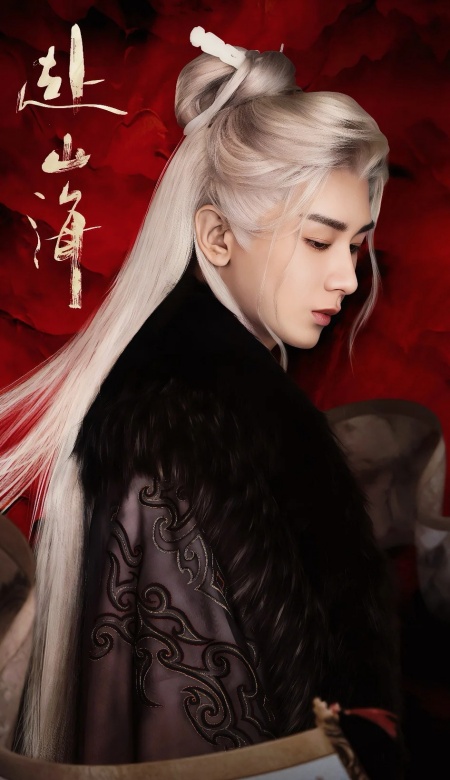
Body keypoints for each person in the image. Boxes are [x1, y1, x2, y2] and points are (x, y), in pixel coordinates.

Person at [1, 26, 401, 767]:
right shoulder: (174, 434)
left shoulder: (221, 406)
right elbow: (197, 739)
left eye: (356, 244)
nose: (348, 278)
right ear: (216, 237)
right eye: (319, 242)